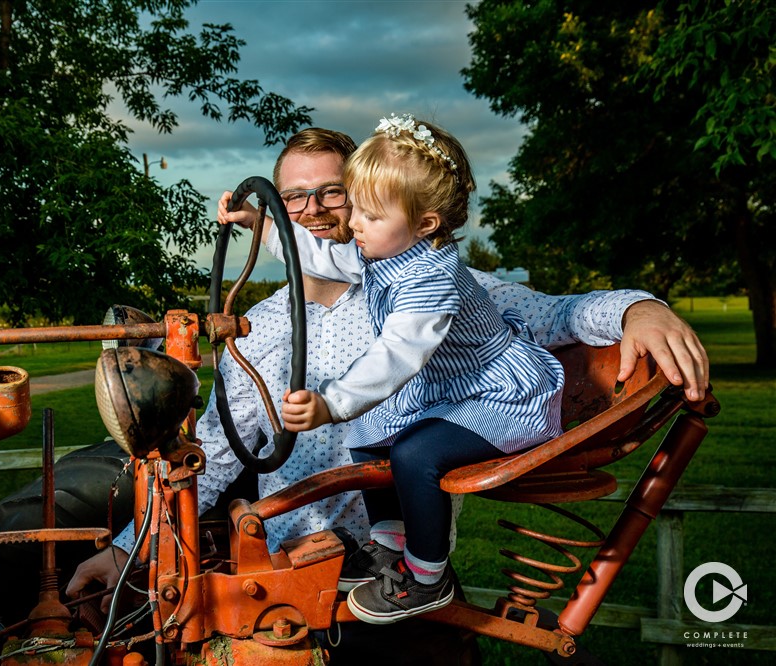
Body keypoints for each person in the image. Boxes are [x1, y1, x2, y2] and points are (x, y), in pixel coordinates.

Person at [65, 126, 708, 653]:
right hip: (277, 580)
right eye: (294, 198)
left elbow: (562, 314)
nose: (313, 210)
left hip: (386, 587)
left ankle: (415, 570)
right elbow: (216, 450)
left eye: (333, 193)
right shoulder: (256, 332)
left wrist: (638, 310)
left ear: (371, 198)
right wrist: (129, 551)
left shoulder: (427, 284)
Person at [227, 113, 570, 624]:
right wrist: (264, 226)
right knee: (369, 431)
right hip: (452, 391)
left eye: (366, 212)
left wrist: (332, 402)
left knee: (414, 454)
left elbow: (397, 355)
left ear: (425, 222)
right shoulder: (383, 251)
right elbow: (317, 255)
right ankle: (391, 549)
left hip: (498, 393)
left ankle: (428, 577)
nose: (354, 225)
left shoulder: (432, 279)